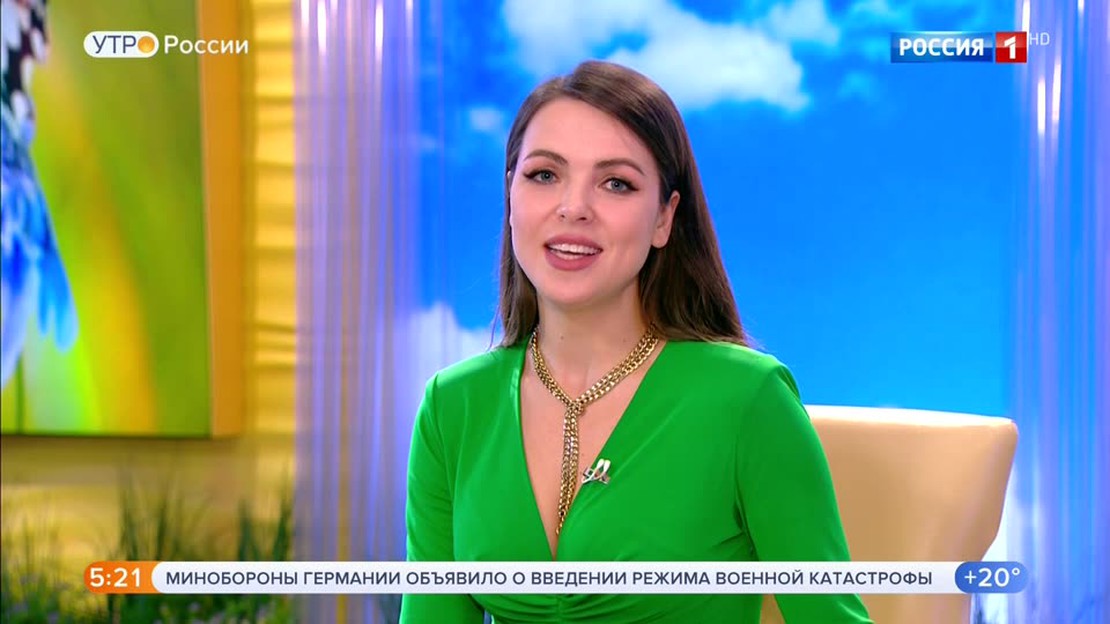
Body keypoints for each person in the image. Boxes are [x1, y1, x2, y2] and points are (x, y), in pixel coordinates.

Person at [401, 60, 873, 623]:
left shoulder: (747, 399)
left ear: (664, 219)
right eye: (544, 175)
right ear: (510, 197)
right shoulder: (452, 408)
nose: (573, 207)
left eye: (616, 183)